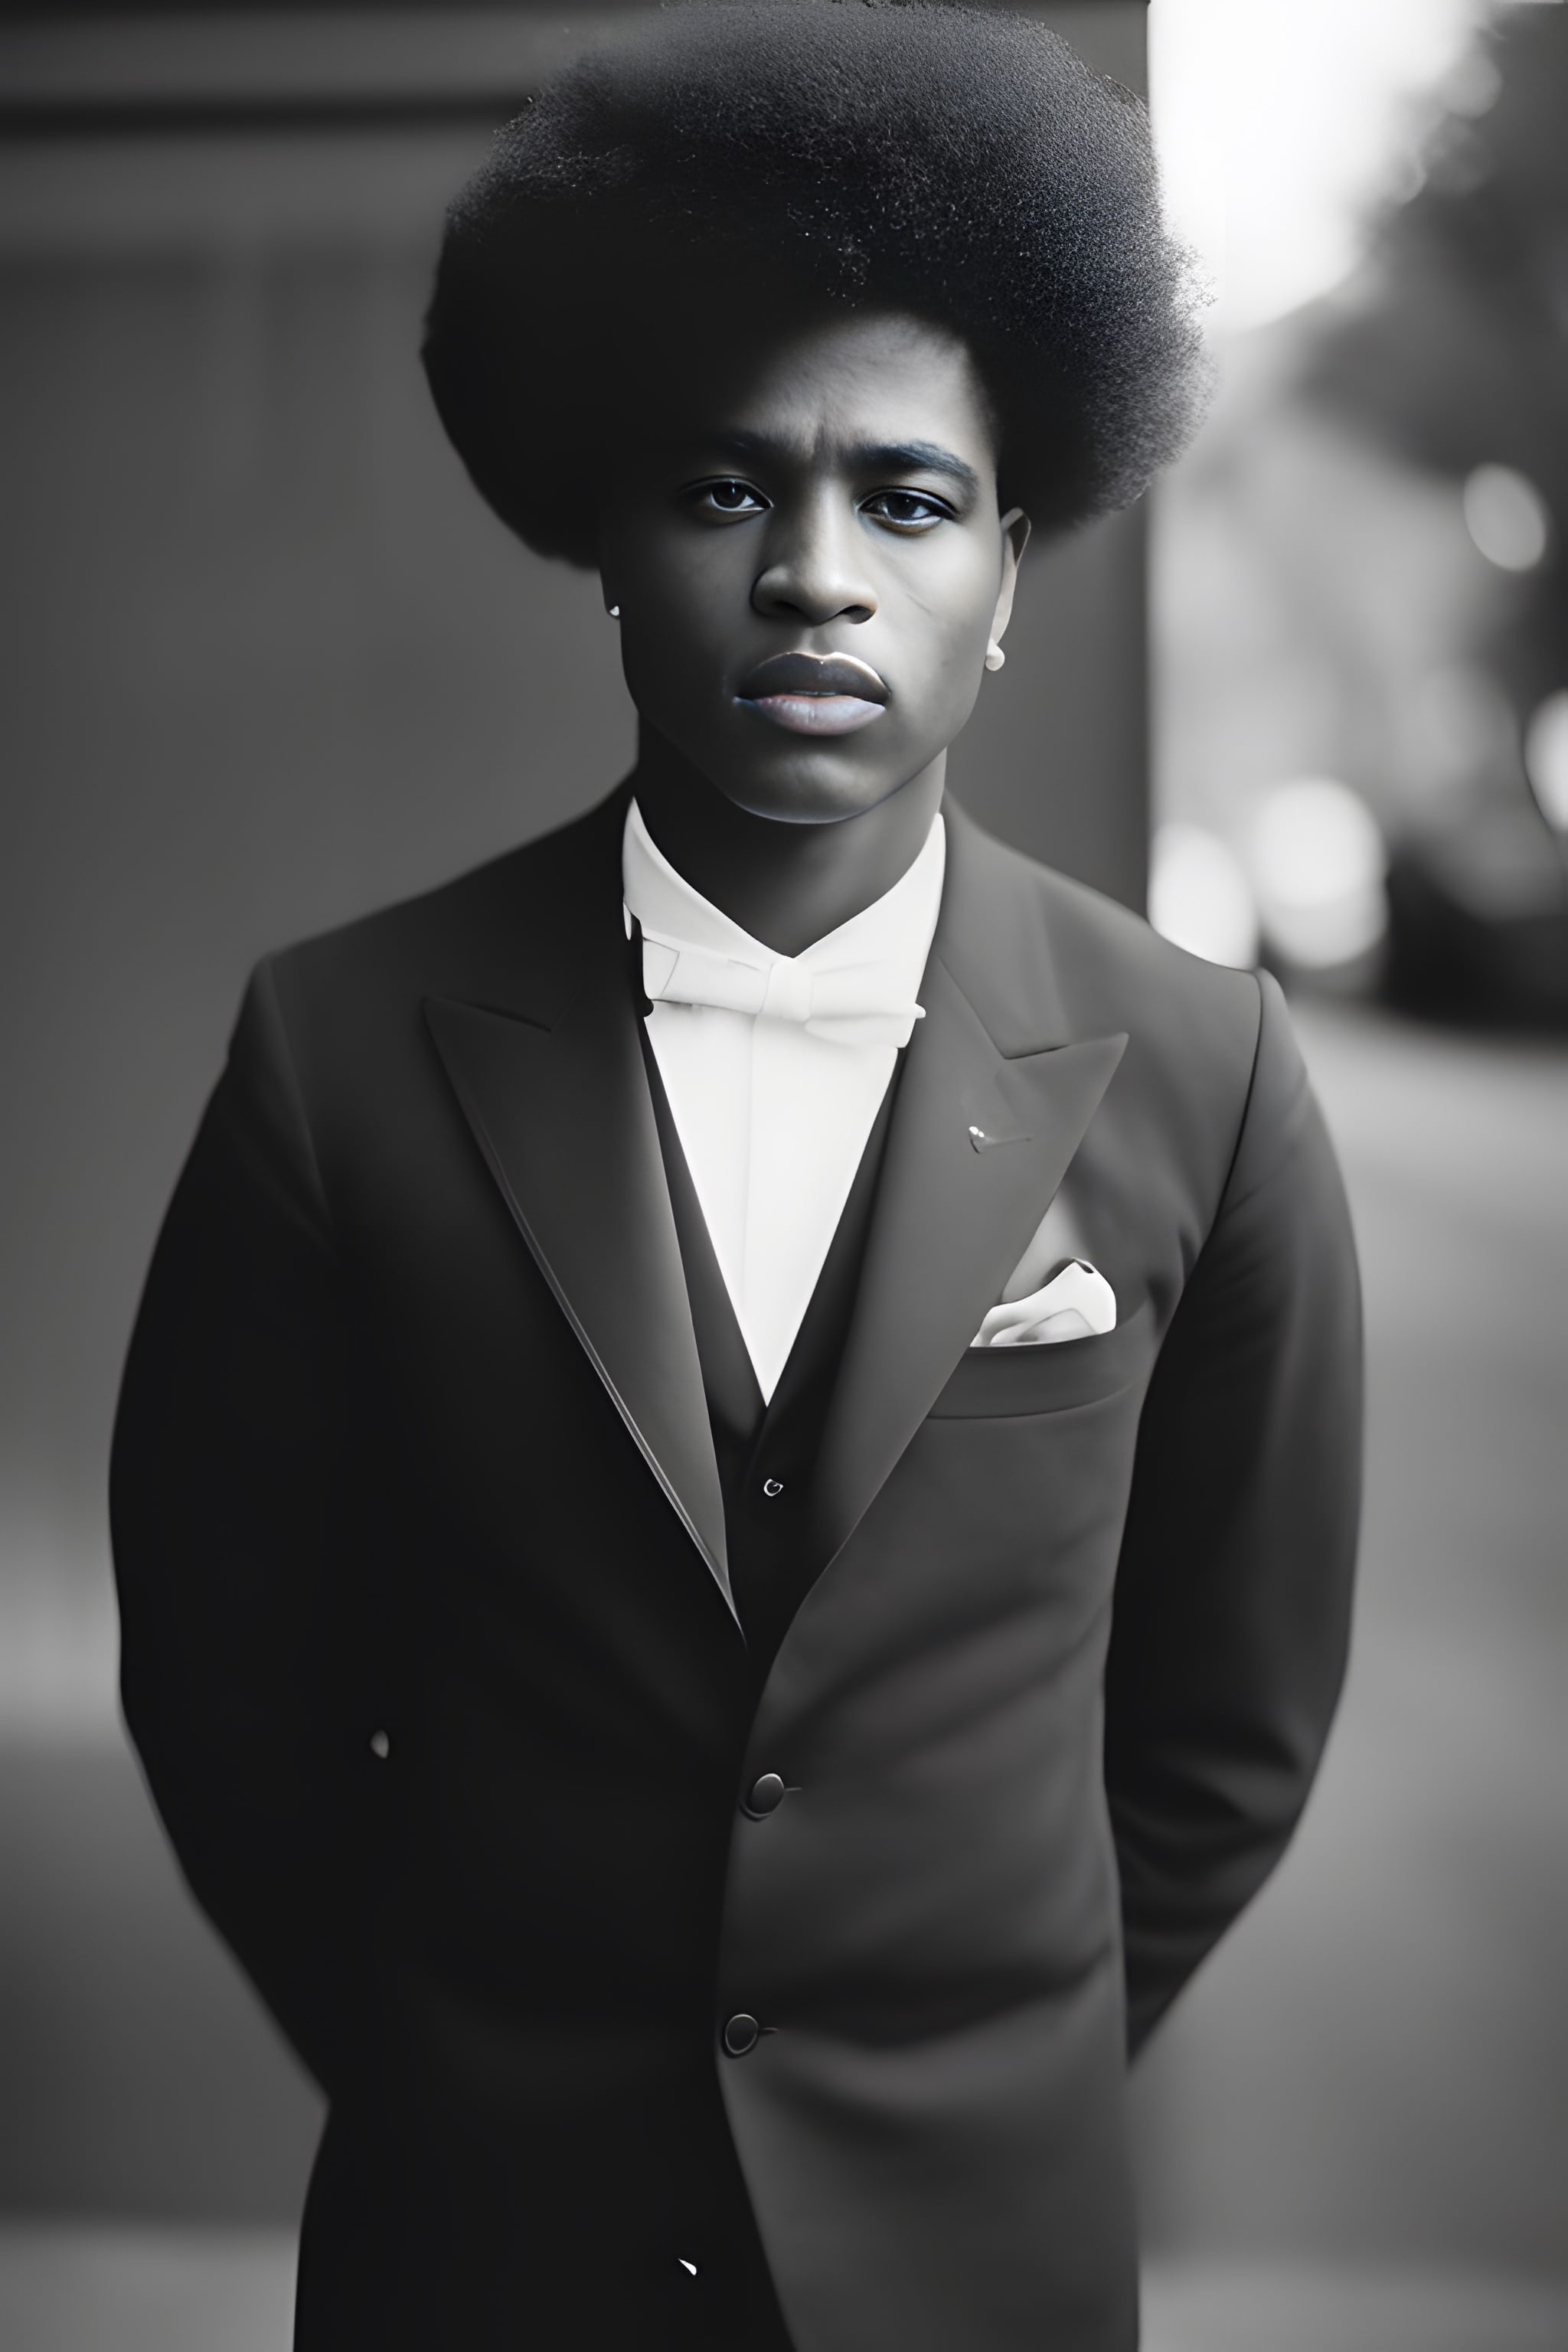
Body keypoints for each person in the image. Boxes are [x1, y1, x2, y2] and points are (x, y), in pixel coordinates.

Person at [110, 7, 1361, 2348]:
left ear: (1013, 569)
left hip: (984, 2260)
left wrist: (983, 2088)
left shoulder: (1210, 1072)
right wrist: (456, 2082)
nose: (815, 574)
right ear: (601, 539)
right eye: (718, 492)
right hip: (478, 2254)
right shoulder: (333, 1051)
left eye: (909, 499)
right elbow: (223, 1684)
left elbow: (1231, 1731)